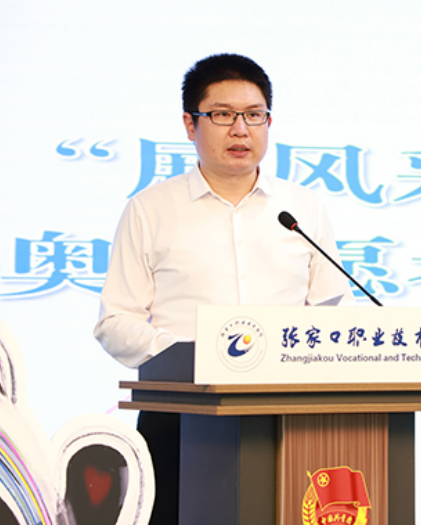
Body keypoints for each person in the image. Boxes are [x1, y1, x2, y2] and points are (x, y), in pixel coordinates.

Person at [94, 53, 353, 524]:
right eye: (222, 115)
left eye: (254, 116)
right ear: (189, 124)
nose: (240, 130)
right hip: (179, 415)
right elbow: (115, 321)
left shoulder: (303, 208)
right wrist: (189, 358)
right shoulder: (150, 209)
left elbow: (332, 309)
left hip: (288, 415)